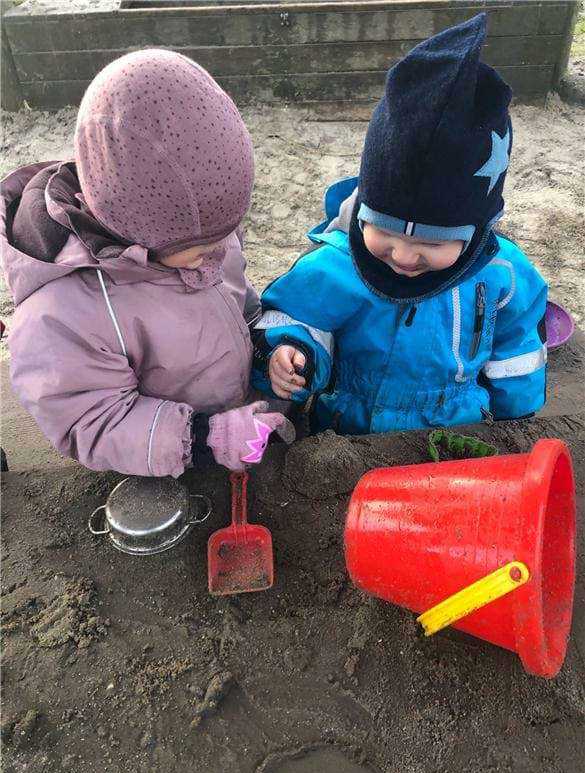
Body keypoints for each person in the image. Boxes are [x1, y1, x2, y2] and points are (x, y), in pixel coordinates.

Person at [1, 49, 293, 477]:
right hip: (164, 463)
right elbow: (93, 421)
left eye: (225, 235)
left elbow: (235, 301)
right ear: (129, 228)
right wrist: (204, 438)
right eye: (200, 247)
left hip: (238, 419)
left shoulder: (195, 236)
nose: (217, 253)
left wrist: (265, 347)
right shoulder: (62, 312)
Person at [252, 14, 547, 434]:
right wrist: (289, 353)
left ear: (477, 230)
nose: (404, 255)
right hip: (349, 430)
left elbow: (519, 344)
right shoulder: (336, 264)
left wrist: (516, 417)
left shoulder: (502, 274)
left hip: (457, 430)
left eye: (433, 241)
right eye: (385, 231)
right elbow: (295, 317)